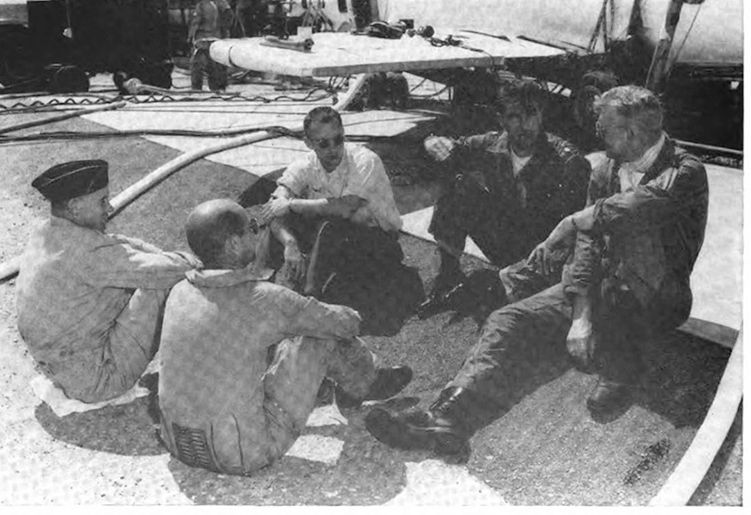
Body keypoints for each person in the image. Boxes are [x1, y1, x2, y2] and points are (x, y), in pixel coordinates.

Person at [364, 86, 709, 458]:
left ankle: (622, 364)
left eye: (605, 128)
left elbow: (642, 205)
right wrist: (580, 316)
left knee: (617, 284)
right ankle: (446, 419)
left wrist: (574, 221)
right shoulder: (606, 169)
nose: (598, 133)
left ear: (632, 133)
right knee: (507, 321)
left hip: (656, 297)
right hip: (603, 287)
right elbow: (588, 246)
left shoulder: (685, 170)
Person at [157, 199, 412, 475]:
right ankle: (364, 382)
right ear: (233, 243)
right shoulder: (262, 299)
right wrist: (325, 310)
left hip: (179, 442)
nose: (257, 233)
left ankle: (356, 382)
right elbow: (345, 324)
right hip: (242, 453)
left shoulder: (179, 292)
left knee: (263, 339)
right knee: (318, 333)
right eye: (252, 228)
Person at [16, 160, 200, 403]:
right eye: (102, 201)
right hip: (100, 380)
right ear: (75, 207)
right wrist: (188, 259)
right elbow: (174, 270)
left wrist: (153, 256)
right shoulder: (89, 254)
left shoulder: (47, 232)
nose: (110, 207)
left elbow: (117, 244)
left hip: (62, 370)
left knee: (132, 274)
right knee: (163, 284)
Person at [417, 76, 590, 319]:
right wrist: (432, 142)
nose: (525, 125)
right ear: (502, 120)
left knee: (500, 302)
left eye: (531, 114)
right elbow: (447, 149)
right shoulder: (491, 145)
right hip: (506, 242)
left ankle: (507, 287)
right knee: (459, 187)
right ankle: (448, 275)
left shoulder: (568, 161)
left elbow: (574, 234)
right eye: (515, 116)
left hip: (546, 254)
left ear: (542, 115)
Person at [260, 106, 423, 335]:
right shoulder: (305, 165)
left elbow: (346, 208)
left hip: (377, 246)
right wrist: (290, 242)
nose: (333, 149)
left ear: (344, 134)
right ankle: (257, 292)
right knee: (283, 222)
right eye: (323, 143)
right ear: (308, 143)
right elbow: (273, 207)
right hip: (336, 245)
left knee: (330, 224)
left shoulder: (365, 160)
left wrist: (292, 204)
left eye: (338, 139)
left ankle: (309, 303)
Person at [188, 0, 229, 92]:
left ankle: (196, 88)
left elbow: (196, 23)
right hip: (213, 38)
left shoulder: (201, 6)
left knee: (196, 65)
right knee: (212, 64)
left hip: (202, 40)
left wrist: (190, 37)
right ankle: (215, 87)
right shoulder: (213, 5)